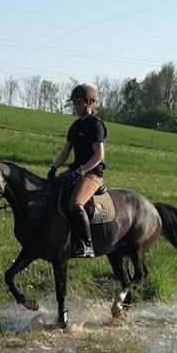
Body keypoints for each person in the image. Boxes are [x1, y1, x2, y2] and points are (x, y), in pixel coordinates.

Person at [49, 83, 106, 258]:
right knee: (51, 192)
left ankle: (87, 244)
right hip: (76, 171)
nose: (75, 106)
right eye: (74, 103)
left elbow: (99, 156)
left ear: (89, 103)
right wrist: (54, 167)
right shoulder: (75, 127)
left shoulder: (96, 125)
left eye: (79, 103)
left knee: (75, 203)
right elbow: (65, 152)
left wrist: (81, 171)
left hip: (92, 173)